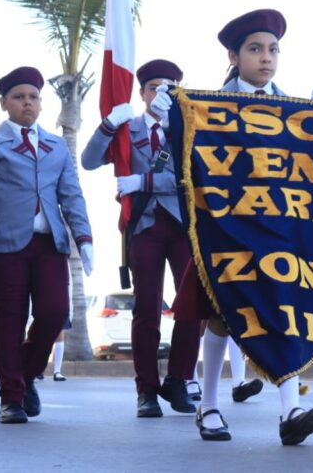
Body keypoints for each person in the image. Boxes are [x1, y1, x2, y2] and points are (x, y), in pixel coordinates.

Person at [171, 8, 313, 445]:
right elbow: (182, 166)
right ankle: (210, 406)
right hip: (226, 226)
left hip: (278, 226)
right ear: (233, 55)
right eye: (255, 49)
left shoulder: (297, 110)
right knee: (222, 317)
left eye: (273, 49)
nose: (266, 58)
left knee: (283, 311)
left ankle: (289, 410)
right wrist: (173, 118)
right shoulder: (206, 108)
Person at [0, 66, 94, 425]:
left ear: (41, 102)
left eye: (33, 97)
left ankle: (24, 375)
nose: (27, 103)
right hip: (6, 247)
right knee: (9, 320)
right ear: (4, 103)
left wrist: (83, 238)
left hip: (49, 244)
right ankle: (11, 398)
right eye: (19, 97)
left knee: (54, 312)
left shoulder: (55, 146)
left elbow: (72, 195)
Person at [81, 58, 200, 418]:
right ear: (142, 92)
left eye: (168, 88)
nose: (160, 93)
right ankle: (146, 389)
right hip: (144, 226)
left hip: (182, 224)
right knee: (146, 309)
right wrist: (108, 124)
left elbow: (191, 177)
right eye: (153, 87)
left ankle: (179, 379)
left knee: (192, 305)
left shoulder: (188, 128)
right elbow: (89, 161)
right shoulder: (128, 129)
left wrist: (144, 181)